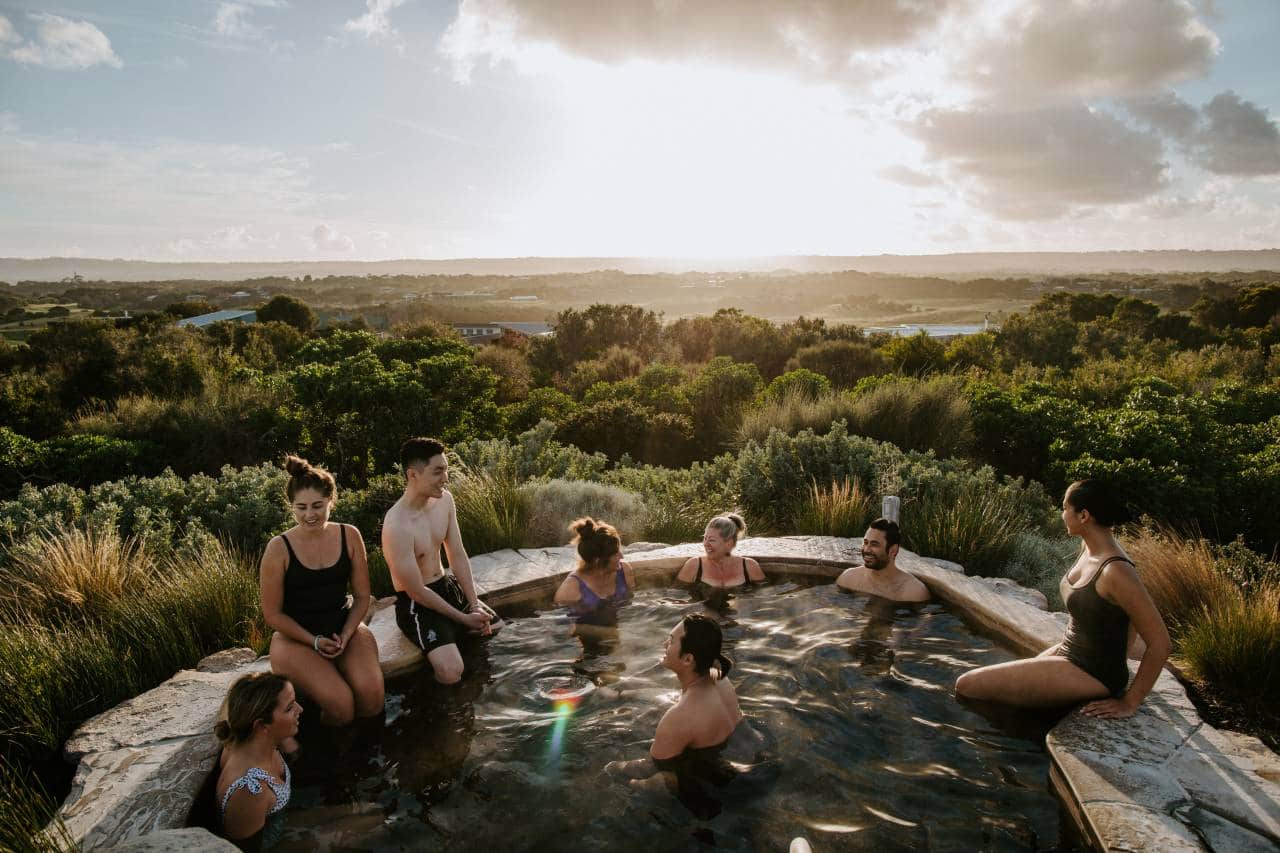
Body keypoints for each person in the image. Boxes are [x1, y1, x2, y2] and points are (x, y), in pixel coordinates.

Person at [955, 480, 1171, 718]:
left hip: (1092, 671)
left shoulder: (1116, 570)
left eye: (1065, 508)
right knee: (1005, 691)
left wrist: (1130, 702)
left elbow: (1160, 643)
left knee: (967, 685)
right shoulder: (1088, 547)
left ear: (1084, 515)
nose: (1062, 514)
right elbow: (1122, 618)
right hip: (1070, 652)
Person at [260, 456, 384, 726]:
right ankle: (335, 759)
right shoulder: (278, 548)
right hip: (295, 640)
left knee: (373, 698)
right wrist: (314, 641)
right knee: (341, 703)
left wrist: (347, 633)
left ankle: (369, 759)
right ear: (291, 506)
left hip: (343, 627)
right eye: (301, 507)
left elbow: (362, 596)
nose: (309, 515)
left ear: (331, 501)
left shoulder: (349, 535)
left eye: (317, 506)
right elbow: (272, 614)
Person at [382, 437, 503, 684]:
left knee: (497, 630)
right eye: (438, 471)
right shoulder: (397, 525)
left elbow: (456, 554)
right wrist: (463, 618)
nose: (446, 477)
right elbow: (415, 591)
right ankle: (442, 713)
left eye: (446, 469)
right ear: (413, 475)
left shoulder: (444, 500)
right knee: (450, 671)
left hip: (446, 587)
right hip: (419, 604)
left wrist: (474, 604)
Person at [214, 672, 301, 850]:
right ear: (261, 725)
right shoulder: (249, 792)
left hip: (287, 821)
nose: (300, 710)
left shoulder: (247, 739)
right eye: (290, 708)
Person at [553, 516, 635, 634]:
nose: (622, 557)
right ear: (598, 561)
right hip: (589, 643)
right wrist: (603, 633)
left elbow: (632, 610)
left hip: (618, 633)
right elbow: (561, 631)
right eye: (615, 554)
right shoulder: (571, 589)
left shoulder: (625, 571)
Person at [835, 518, 930, 604]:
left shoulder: (913, 591)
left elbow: (922, 622)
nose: (867, 550)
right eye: (865, 542)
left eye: (874, 544)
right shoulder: (849, 578)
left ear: (893, 550)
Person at [675, 513, 766, 589]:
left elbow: (765, 597)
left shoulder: (750, 566)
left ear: (729, 543)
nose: (705, 544)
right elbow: (675, 595)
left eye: (711, 540)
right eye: (705, 538)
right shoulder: (694, 565)